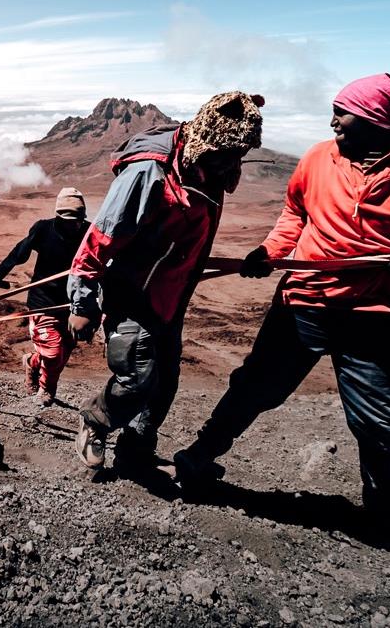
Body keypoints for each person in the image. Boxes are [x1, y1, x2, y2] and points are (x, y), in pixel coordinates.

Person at [173, 74, 390, 529]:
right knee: (254, 389)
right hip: (302, 304)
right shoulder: (317, 159)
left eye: (343, 113)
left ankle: (384, 502)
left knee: (379, 422)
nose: (333, 122)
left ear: (377, 120)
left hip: (372, 315)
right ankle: (196, 459)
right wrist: (271, 252)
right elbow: (295, 212)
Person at [70, 92, 265, 472]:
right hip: (132, 291)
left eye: (238, 154)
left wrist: (246, 262)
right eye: (227, 152)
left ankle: (136, 447)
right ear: (208, 139)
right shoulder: (149, 172)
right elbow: (101, 237)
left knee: (166, 380)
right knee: (138, 376)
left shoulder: (212, 166)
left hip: (171, 296)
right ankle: (95, 421)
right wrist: (82, 303)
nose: (232, 162)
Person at [0, 188, 91, 406]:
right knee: (52, 353)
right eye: (68, 219)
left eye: (77, 220)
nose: (73, 224)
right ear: (58, 215)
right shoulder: (43, 229)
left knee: (64, 351)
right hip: (43, 302)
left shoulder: (90, 233)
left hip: (73, 304)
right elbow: (19, 253)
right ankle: (46, 390)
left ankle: (32, 362)